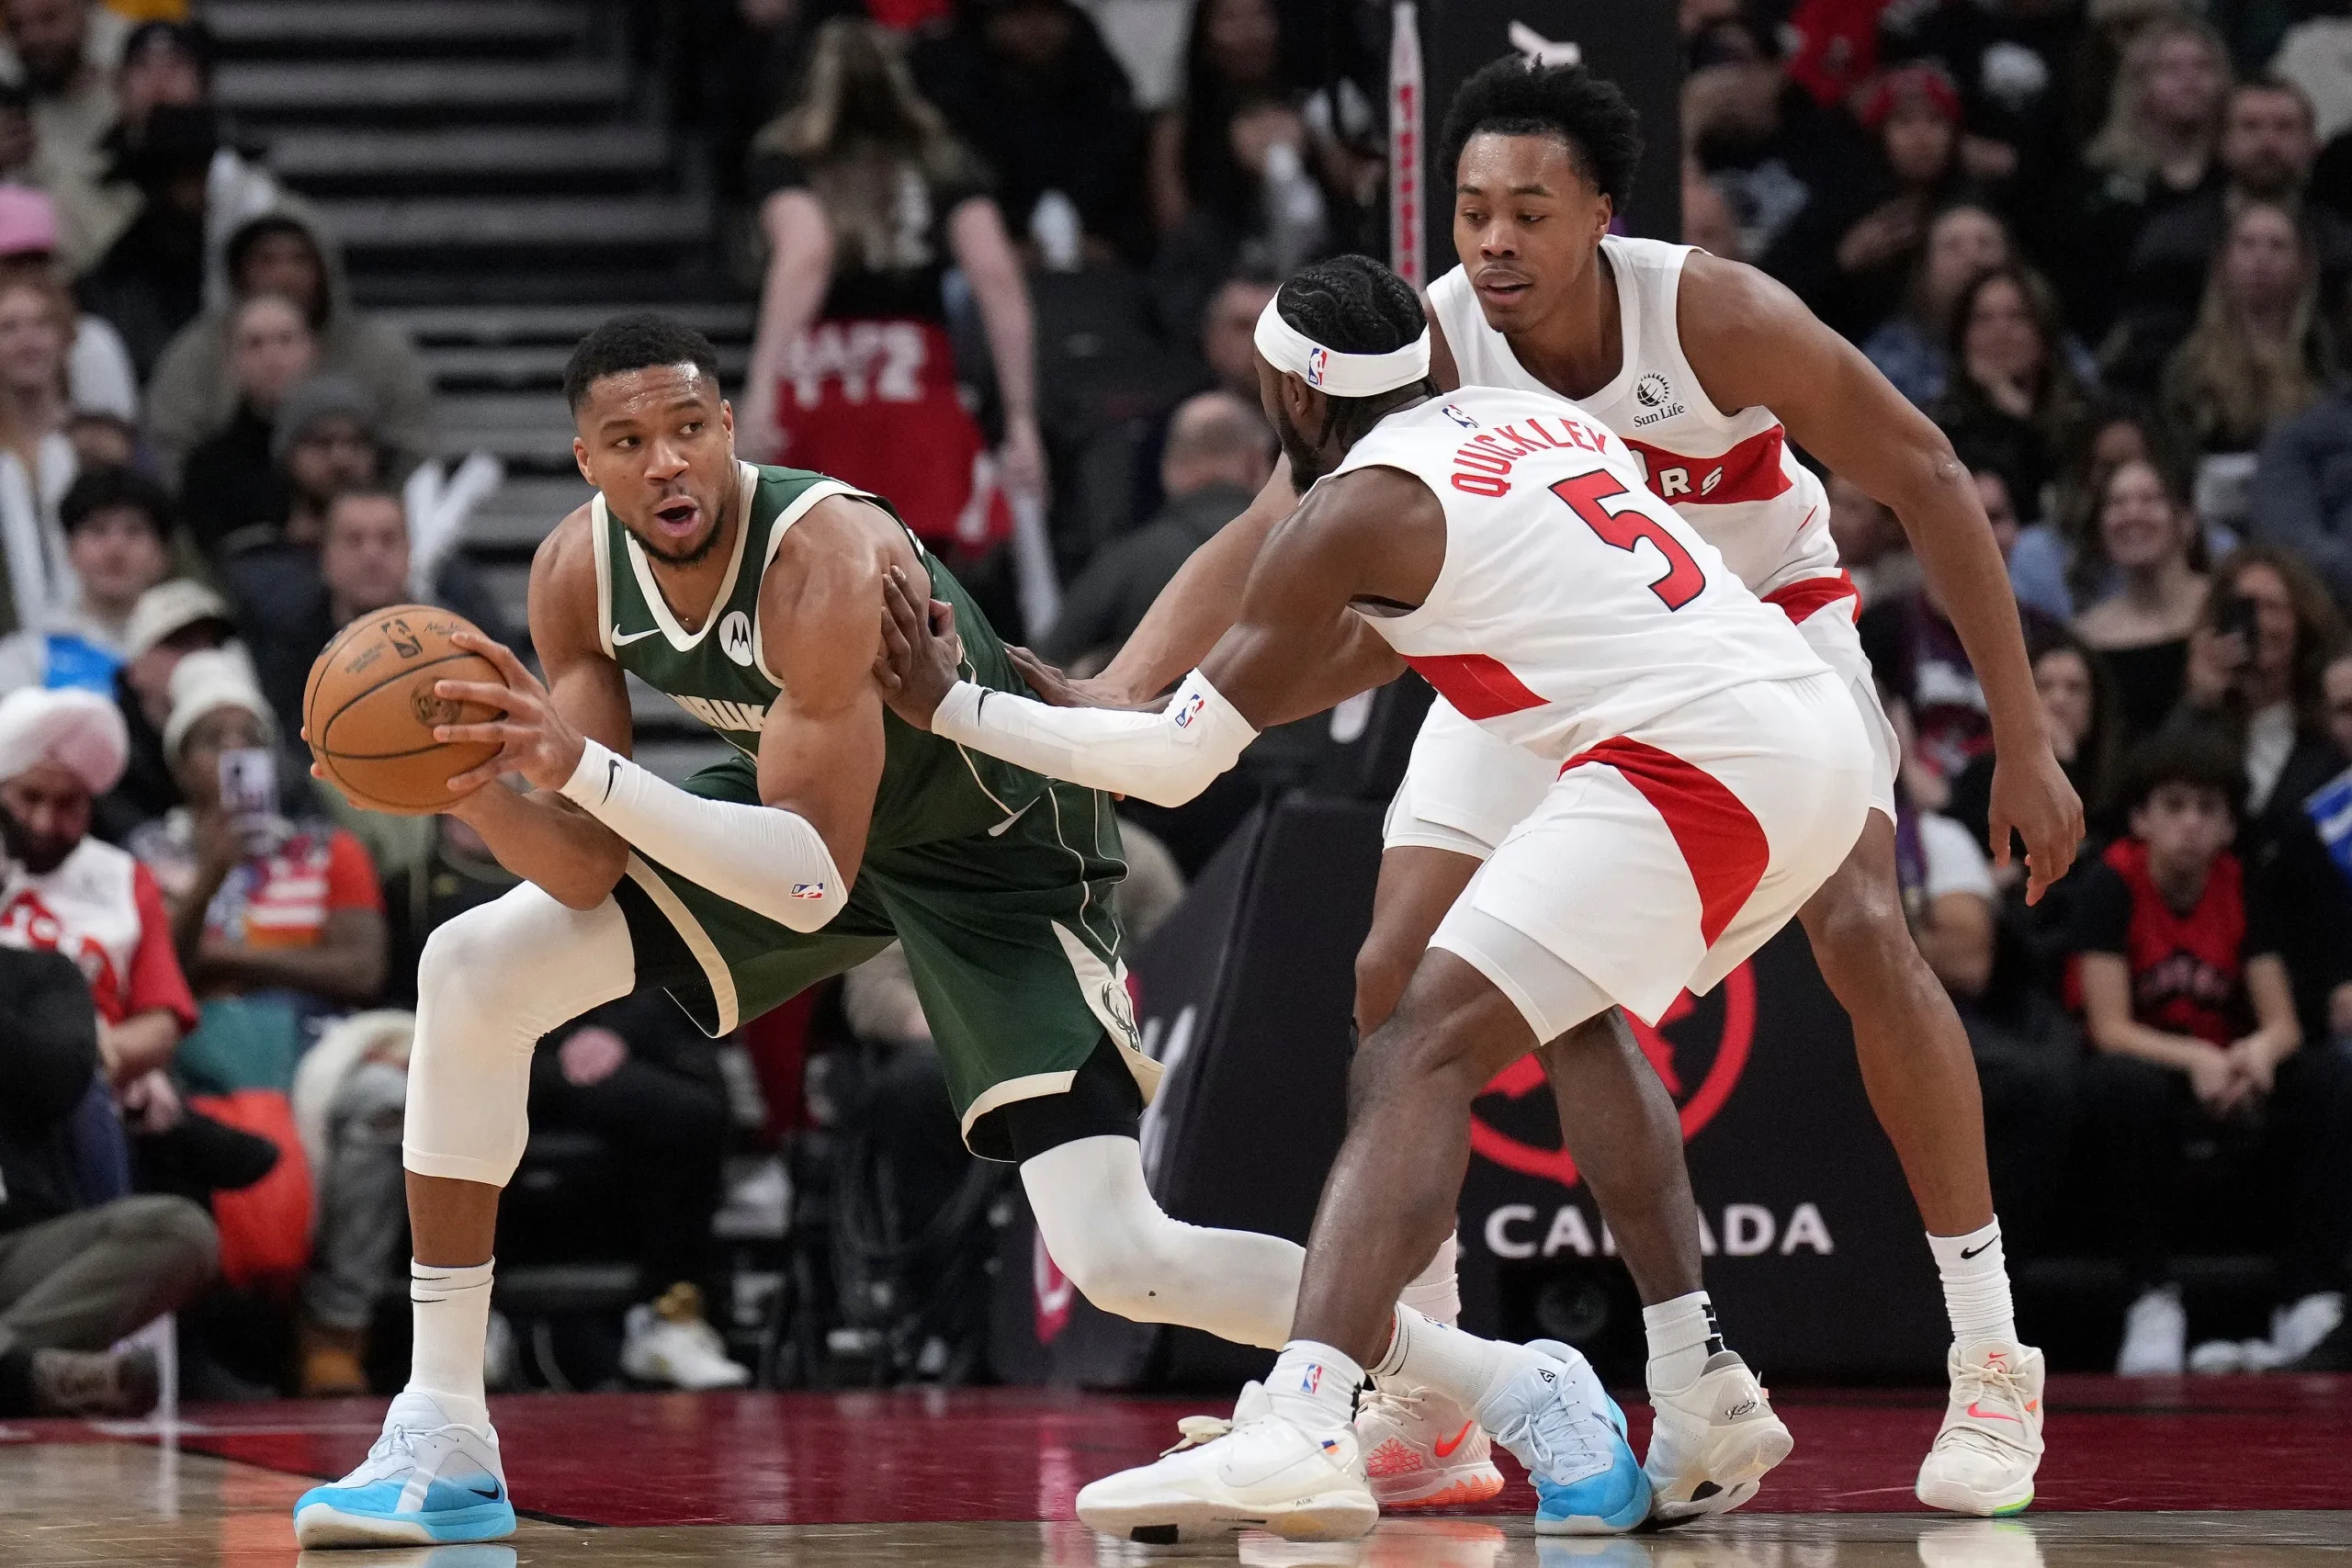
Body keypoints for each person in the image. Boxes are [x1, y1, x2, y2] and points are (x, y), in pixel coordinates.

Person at [1039, 59, 2080, 1518]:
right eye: (1471, 211)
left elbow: (1927, 470)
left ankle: (1989, 1355)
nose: (1493, 242)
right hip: (1550, 656)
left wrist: (2023, 740)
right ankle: (1433, 1403)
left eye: (1529, 210)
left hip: (1754, 634)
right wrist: (1118, 686)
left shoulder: (1709, 310)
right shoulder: (1440, 338)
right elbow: (1274, 534)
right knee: (1394, 977)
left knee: (1859, 930)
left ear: (1603, 213)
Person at [288, 313, 1368, 1548]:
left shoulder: (825, 555)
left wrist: (577, 765)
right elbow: (587, 868)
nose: (668, 463)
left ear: (730, 427)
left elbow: (803, 883)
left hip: (995, 852)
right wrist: (479, 781)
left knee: (1123, 1256)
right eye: (630, 440)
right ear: (586, 461)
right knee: (471, 960)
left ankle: (1456, 1378)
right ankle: (442, 1430)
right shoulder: (575, 571)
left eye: (690, 428)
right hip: (805, 820)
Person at [875, 254, 1874, 1542]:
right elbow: (1359, 644)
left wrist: (958, 709)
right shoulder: (1540, 425)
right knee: (1549, 1013)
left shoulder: (1349, 510)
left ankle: (1307, 1412)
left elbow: (1182, 762)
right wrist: (1088, 702)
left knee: (1416, 1046)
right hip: (1799, 726)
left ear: (1291, 395)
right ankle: (1700, 1378)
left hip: (1691, 756)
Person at [2072, 728, 2352, 1376]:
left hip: (2225, 1070)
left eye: (2208, 809)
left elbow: (2282, 1021)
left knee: (2330, 1078)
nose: (2191, 824)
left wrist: (2252, 1054)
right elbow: (2110, 1026)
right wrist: (2196, 1058)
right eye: (2174, 806)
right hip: (2151, 1073)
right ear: (2141, 816)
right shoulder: (2110, 886)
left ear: (2230, 824)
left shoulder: (2240, 886)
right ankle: (2151, 1294)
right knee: (2121, 1083)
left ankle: (2307, 1289)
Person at [738, 19, 1043, 559]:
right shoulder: (941, 162)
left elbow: (806, 253)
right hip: (914, 388)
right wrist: (1020, 418)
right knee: (924, 578)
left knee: (811, 564)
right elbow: (996, 275)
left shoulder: (786, 160)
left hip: (821, 384)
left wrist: (761, 387)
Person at [0, 943, 213, 1419]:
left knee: (178, 1230)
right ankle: (29, 1376)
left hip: (21, 1247)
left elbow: (59, 1078)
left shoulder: (42, 976)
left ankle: (11, 1365)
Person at [130, 649, 388, 1024]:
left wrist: (217, 957)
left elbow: (363, 972)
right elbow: (154, 972)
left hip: (316, 1044)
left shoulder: (329, 849)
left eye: (252, 739)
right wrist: (211, 875)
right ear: (181, 766)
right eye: (214, 740)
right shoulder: (148, 854)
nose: (236, 749)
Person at [0, 685, 195, 1105]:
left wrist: (72, 1062)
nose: (44, 822)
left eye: (68, 803)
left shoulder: (125, 878)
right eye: (29, 798)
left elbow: (159, 1025)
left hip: (90, 1090)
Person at [143, 205, 435, 482]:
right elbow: (169, 448)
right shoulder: (197, 352)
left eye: (299, 260)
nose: (283, 276)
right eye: (266, 260)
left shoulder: (379, 352)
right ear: (238, 271)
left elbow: (411, 450)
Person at [1034, 390, 1272, 668]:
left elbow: (1042, 668)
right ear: (1257, 460)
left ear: (1169, 468)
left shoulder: (1128, 563)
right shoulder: (1300, 553)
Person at [910, 0, 1152, 267]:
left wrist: (1110, 246)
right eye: (1021, 15)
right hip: (979, 257)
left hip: (1097, 257)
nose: (1037, 30)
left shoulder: (1096, 84)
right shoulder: (952, 88)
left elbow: (1118, 173)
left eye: (1048, 14)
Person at [2160, 200, 2329, 459]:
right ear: (2223, 260)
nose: (2261, 258)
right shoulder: (2189, 367)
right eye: (2247, 244)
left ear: (2302, 265)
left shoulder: (2323, 361)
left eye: (2278, 246)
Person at [1931, 262, 2089, 514]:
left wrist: (2018, 414)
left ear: (2044, 331)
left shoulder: (2083, 416)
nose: (2000, 331)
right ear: (1962, 336)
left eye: (2017, 316)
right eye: (1983, 319)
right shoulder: (1938, 423)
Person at [2072, 456, 2211, 740]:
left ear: (2186, 520)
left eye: (2150, 499)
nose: (2131, 514)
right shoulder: (2085, 639)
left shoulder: (2221, 607)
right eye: (2116, 503)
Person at [0, 464, 171, 695]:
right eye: (98, 531)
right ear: (70, 552)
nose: (115, 549)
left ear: (161, 555)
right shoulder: (28, 657)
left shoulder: (199, 647)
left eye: (134, 531)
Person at [175, 290, 313, 558]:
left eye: (285, 340)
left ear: (311, 351)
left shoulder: (351, 454)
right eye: (254, 344)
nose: (272, 356)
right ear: (232, 360)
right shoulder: (208, 468)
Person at [0, 186, 137, 420]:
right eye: (12, 263)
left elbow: (117, 446)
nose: (27, 275)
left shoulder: (90, 344)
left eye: (37, 262)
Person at [1860, 203, 2011, 408]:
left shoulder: (2048, 345)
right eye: (1952, 245)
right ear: (1925, 269)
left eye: (1985, 243)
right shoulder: (1890, 357)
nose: (1972, 257)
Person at [0, 272, 78, 641]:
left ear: (64, 338)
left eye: (41, 325)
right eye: (9, 328)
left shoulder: (101, 447)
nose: (27, 341)